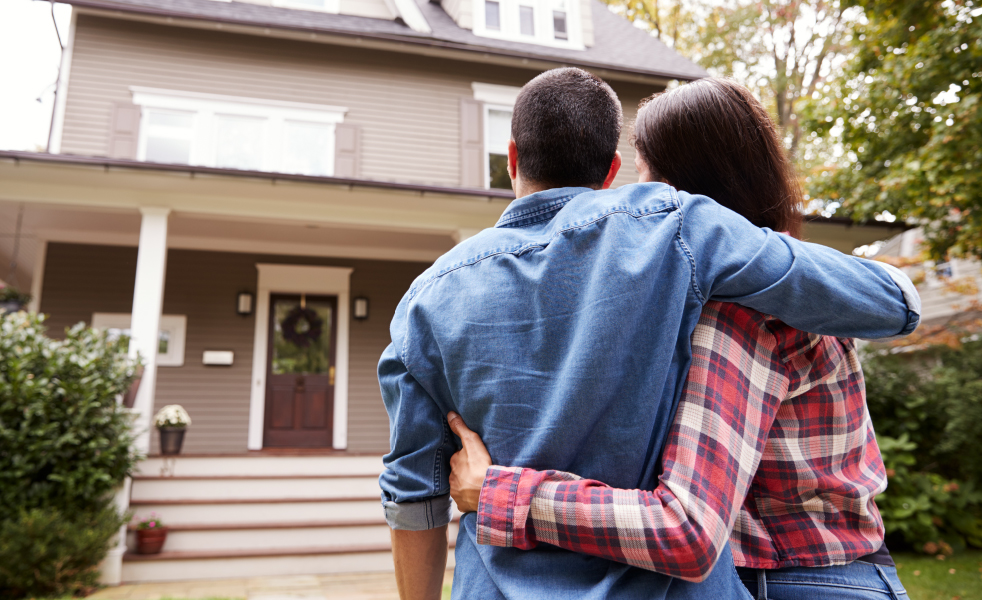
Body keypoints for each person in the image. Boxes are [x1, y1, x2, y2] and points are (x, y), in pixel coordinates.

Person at [378, 68, 919, 600]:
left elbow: (413, 493)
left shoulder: (423, 302)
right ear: (612, 169)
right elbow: (893, 304)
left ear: (512, 158)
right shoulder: (680, 233)